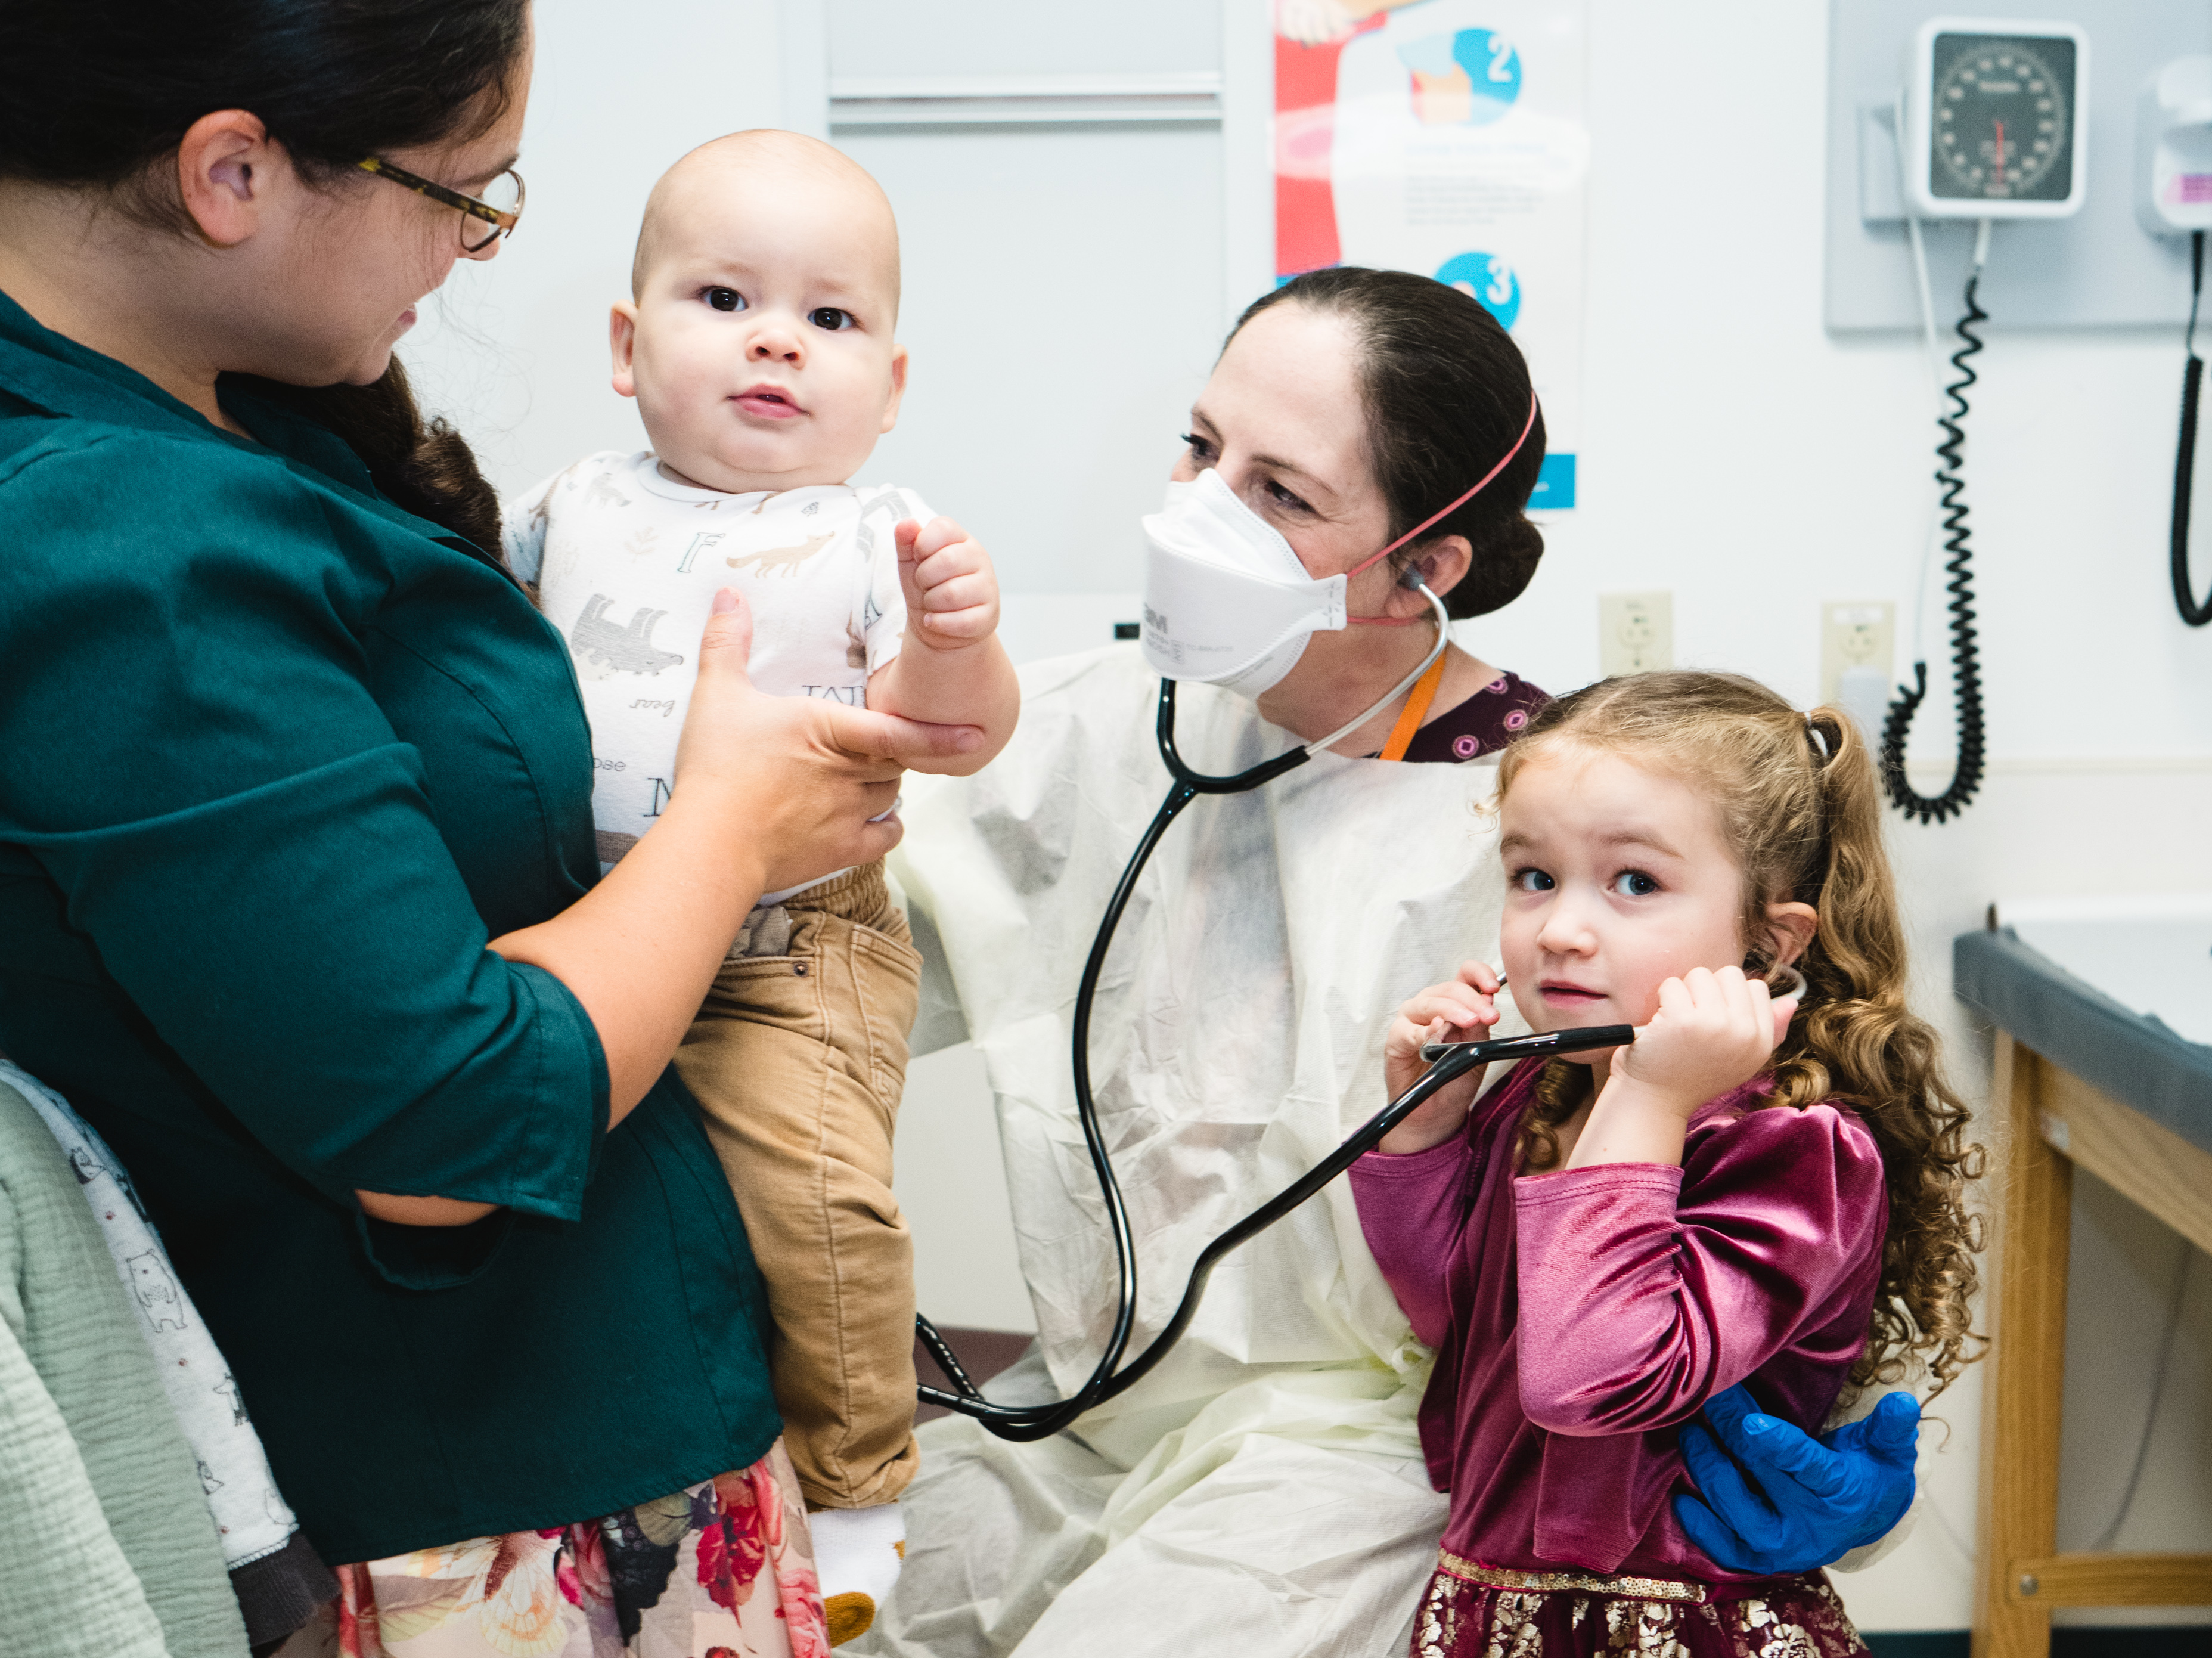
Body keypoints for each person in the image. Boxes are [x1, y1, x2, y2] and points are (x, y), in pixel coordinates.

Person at [0, 5, 976, 1654]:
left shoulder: (238, 410)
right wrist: (730, 830)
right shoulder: (117, 546)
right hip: (475, 1485)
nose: (469, 250)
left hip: (607, 1387)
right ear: (230, 171)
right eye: (467, 191)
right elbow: (440, 1125)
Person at [857, 268, 1924, 1658]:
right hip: (1086, 1412)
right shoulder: (1094, 726)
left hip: (1374, 1458)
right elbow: (840, 949)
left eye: (1280, 494)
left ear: (1421, 564)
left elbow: (1717, 1201)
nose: (1198, 511)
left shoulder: (1550, 835)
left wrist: (1811, 1434)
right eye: (1200, 447)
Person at [504, 128, 1020, 1643]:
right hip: (597, 919)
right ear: (625, 342)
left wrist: (953, 631)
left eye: (832, 318)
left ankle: (863, 1489)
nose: (777, 340)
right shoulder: (563, 505)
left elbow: (961, 733)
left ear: (890, 384)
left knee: (811, 1196)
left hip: (795, 943)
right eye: (723, 297)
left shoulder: (873, 533)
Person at [1357, 673, 1982, 1657]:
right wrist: (1427, 1138)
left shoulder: (1792, 1147)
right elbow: (1455, 1315)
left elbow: (1589, 1376)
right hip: (1498, 1612)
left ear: (1769, 945)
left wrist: (1650, 1098)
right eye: (1534, 876)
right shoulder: (1547, 1092)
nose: (1561, 927)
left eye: (1635, 882)